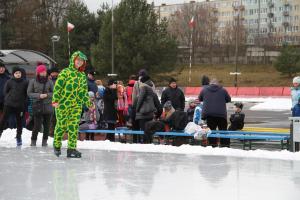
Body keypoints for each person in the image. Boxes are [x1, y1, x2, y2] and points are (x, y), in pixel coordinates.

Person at [52, 51, 91, 158]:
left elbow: (84, 92)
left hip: (76, 105)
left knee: (73, 127)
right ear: (73, 60)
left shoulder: (82, 75)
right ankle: (56, 145)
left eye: (81, 61)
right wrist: (55, 100)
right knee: (61, 125)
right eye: (77, 60)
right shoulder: (65, 72)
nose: (79, 62)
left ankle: (71, 149)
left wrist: (89, 103)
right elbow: (57, 87)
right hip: (63, 104)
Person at [199, 78, 231, 147]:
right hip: (221, 114)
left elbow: (200, 98)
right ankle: (225, 145)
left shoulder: (204, 90)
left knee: (211, 131)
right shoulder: (223, 90)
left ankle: (213, 145)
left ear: (210, 83)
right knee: (223, 131)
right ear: (217, 84)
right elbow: (229, 99)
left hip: (209, 115)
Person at [0, 67, 28, 146]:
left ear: (21, 74)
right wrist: (9, 99)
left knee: (19, 122)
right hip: (9, 105)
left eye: (19, 73)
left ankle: (18, 137)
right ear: (13, 74)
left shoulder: (25, 82)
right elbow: (5, 91)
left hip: (20, 106)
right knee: (3, 120)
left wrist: (23, 101)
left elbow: (26, 94)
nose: (18, 74)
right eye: (16, 73)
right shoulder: (9, 82)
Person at [27, 64, 53, 147]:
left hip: (48, 106)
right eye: (42, 72)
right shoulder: (33, 81)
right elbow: (29, 93)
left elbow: (54, 92)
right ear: (38, 73)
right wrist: (39, 95)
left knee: (47, 126)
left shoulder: (49, 81)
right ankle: (33, 140)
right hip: (37, 106)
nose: (44, 73)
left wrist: (47, 95)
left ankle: (44, 141)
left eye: (44, 71)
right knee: (37, 125)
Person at [135, 75, 162, 141]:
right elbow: (159, 106)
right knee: (149, 131)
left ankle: (146, 145)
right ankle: (149, 144)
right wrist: (158, 115)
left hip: (142, 115)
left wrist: (137, 110)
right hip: (150, 115)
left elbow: (140, 100)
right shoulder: (152, 91)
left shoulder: (143, 88)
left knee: (144, 132)